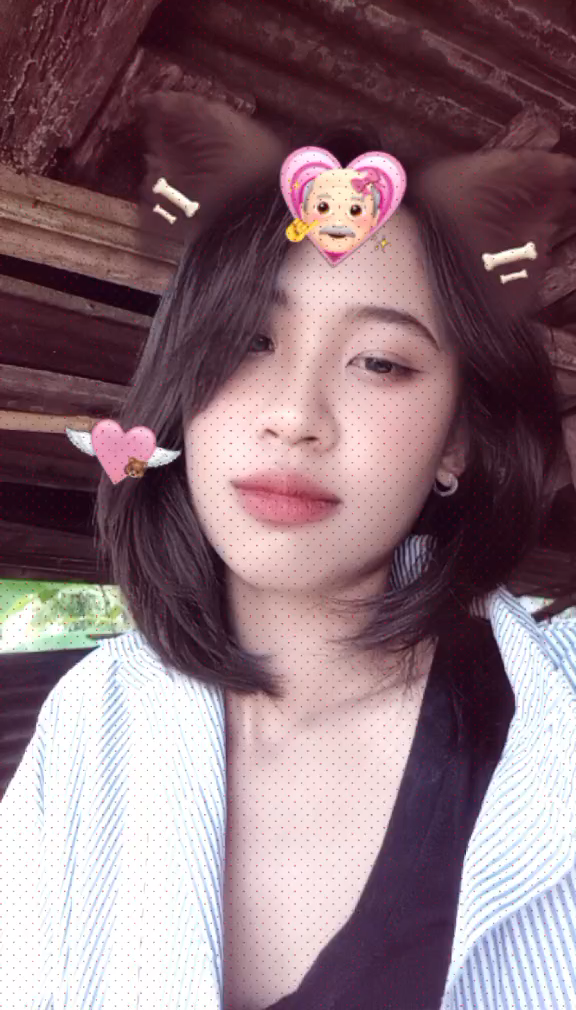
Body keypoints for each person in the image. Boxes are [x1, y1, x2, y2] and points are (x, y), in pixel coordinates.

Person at [2, 121, 576, 1010]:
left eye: (379, 361)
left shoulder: (554, 721)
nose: (295, 416)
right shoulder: (88, 727)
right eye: (247, 340)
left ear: (456, 442)